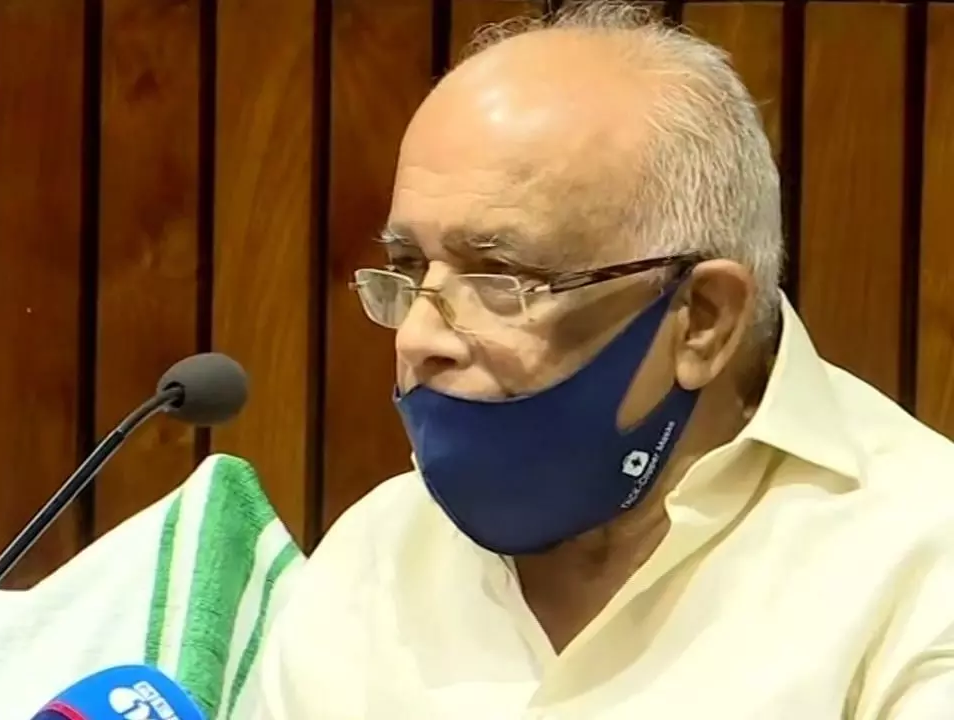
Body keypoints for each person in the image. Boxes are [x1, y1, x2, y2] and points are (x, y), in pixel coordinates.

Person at [253, 2, 954, 718]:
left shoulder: (921, 561)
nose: (416, 338)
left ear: (702, 320)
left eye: (500, 277)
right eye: (408, 267)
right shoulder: (373, 558)